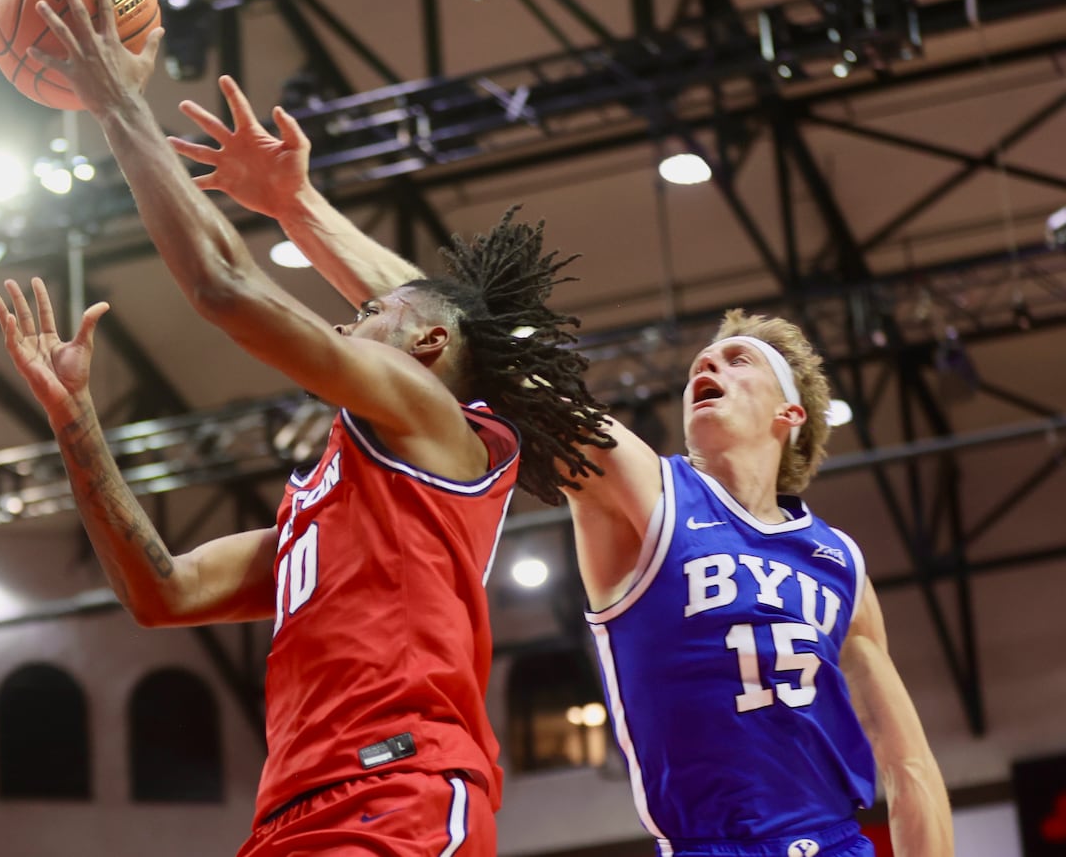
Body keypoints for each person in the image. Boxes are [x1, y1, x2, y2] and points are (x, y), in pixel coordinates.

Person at [167, 76, 955, 856]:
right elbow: (464, 339)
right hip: (709, 842)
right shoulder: (651, 493)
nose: (707, 366)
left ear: (792, 415)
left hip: (836, 838)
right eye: (700, 362)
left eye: (740, 360)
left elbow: (910, 766)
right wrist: (298, 207)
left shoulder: (838, 563)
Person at [0, 0, 611, 857]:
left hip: (399, 792)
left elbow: (227, 289)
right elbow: (160, 593)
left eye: (371, 313)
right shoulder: (327, 507)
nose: (350, 319)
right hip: (293, 812)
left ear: (430, 343)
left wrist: (118, 103)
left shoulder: (434, 417)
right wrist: (74, 419)